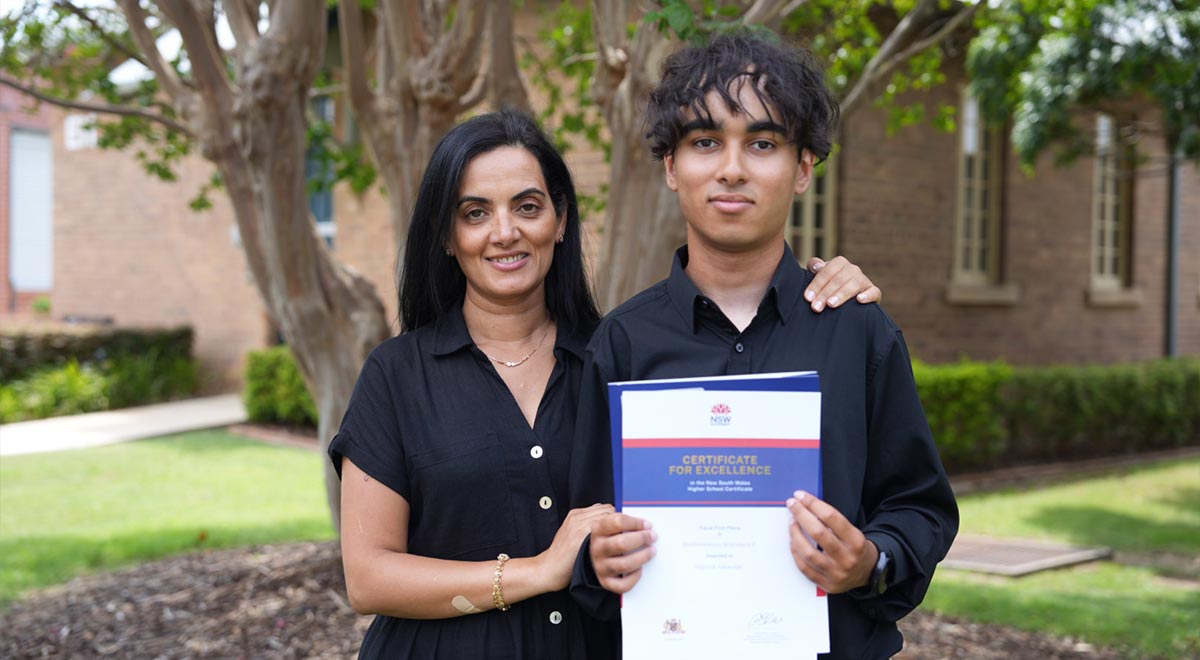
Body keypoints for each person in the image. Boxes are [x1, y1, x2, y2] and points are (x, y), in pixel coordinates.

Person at [329, 111, 881, 659]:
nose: (505, 232)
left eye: (527, 206)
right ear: (448, 236)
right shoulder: (397, 374)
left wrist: (821, 290)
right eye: (475, 213)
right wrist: (538, 571)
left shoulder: (620, 358)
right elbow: (370, 578)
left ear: (561, 219)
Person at [568, 34, 959, 659]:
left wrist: (869, 561)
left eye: (762, 142)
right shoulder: (623, 344)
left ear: (803, 168)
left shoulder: (857, 331)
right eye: (704, 143)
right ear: (671, 167)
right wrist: (598, 561)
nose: (731, 168)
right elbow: (585, 535)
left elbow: (920, 507)